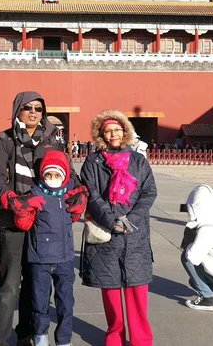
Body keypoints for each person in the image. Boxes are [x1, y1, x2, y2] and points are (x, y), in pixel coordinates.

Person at [0, 91, 69, 346]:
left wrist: (76, 194)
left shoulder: (53, 139)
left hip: (43, 222)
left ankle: (26, 333)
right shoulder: (3, 140)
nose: (33, 112)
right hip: (13, 220)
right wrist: (14, 201)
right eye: (27, 107)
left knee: (36, 285)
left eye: (38, 109)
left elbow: (67, 173)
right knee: (10, 284)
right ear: (17, 110)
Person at [80, 110, 156, 346]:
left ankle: (141, 340)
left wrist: (131, 219)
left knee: (137, 291)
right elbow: (90, 193)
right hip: (108, 235)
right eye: (107, 131)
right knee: (111, 291)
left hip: (135, 235)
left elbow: (149, 191)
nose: (113, 134)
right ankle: (114, 337)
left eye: (117, 129)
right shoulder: (93, 162)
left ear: (125, 131)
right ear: (101, 135)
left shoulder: (138, 161)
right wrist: (111, 220)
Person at [2, 151, 87, 346]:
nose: (52, 179)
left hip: (64, 259)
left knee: (66, 303)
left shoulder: (70, 196)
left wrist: (81, 202)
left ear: (64, 176)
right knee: (39, 302)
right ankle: (40, 336)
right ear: (42, 175)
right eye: (48, 175)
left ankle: (64, 339)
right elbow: (23, 224)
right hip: (40, 260)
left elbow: (73, 217)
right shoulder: (35, 194)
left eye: (57, 175)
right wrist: (23, 210)